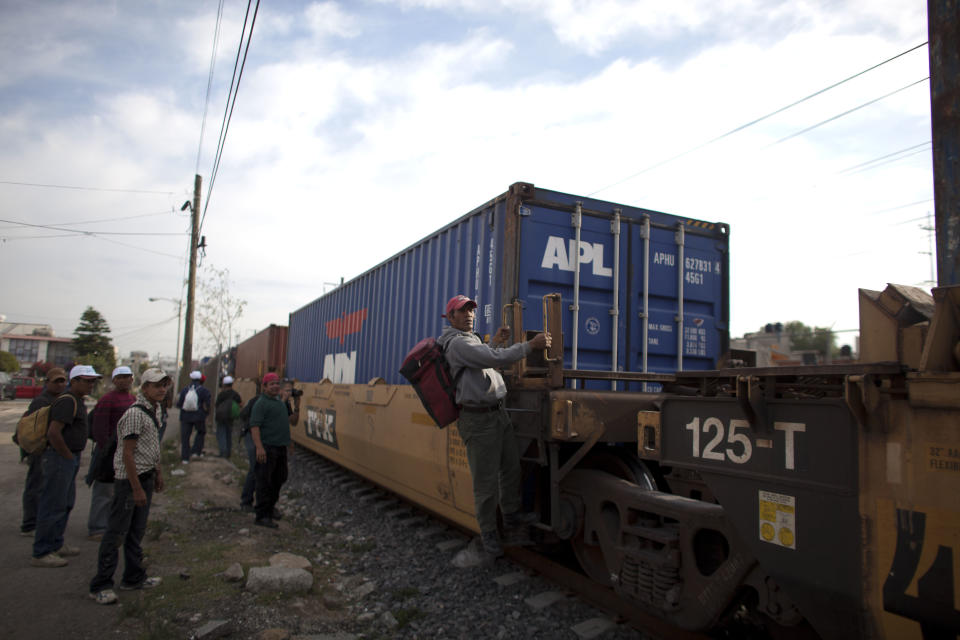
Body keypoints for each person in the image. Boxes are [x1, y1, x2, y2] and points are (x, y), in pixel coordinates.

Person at [437, 294, 550, 557]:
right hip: (478, 420)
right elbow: (492, 360)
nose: (468, 314)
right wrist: (529, 346)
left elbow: (485, 358)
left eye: (470, 310)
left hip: (498, 415)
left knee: (510, 470)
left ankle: (511, 521)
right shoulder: (457, 344)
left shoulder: (471, 339)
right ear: (450, 317)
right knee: (485, 483)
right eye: (461, 311)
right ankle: (488, 533)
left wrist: (497, 342)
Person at [88, 368, 168, 605]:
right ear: (144, 388)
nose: (162, 389)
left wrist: (158, 472)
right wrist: (136, 488)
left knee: (136, 531)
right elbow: (127, 454)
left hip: (146, 476)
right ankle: (101, 584)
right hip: (129, 481)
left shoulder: (155, 409)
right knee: (116, 532)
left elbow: (151, 446)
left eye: (164, 384)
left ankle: (133, 577)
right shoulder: (135, 414)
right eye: (156, 385)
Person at [31, 364, 101, 568]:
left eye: (93, 382)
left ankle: (56, 543)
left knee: (64, 503)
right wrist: (67, 456)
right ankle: (42, 551)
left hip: (69, 458)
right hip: (59, 459)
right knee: (52, 504)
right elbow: (54, 433)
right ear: (75, 381)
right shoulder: (67, 401)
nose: (91, 385)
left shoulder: (77, 401)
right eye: (87, 381)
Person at [85, 366, 136, 540]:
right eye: (120, 377)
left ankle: (112, 525)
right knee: (104, 491)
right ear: (114, 380)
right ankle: (97, 528)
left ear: (132, 379)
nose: (124, 380)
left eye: (127, 377)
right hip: (108, 453)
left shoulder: (132, 399)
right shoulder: (107, 400)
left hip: (125, 453)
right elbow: (100, 429)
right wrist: (106, 450)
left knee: (118, 492)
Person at [19, 367, 68, 537]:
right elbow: (34, 429)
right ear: (47, 383)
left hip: (52, 451)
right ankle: (29, 524)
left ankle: (38, 522)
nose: (61, 384)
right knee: (36, 487)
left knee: (46, 489)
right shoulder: (41, 401)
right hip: (41, 450)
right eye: (56, 381)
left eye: (63, 381)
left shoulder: (61, 399)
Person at [249, 372, 299, 528]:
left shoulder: (280, 402)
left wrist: (288, 442)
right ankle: (262, 515)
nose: (276, 386)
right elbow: (255, 426)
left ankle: (270, 508)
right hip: (267, 448)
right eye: (272, 384)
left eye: (277, 383)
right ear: (264, 387)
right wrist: (259, 448)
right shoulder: (261, 404)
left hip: (280, 448)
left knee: (280, 478)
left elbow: (287, 423)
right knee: (264, 481)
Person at [176, 370, 211, 463]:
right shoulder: (204, 390)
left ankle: (185, 458)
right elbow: (208, 404)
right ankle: (196, 451)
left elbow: (179, 404)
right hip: (199, 416)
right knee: (201, 432)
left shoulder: (185, 390)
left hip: (185, 416)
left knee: (185, 437)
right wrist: (206, 413)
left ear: (191, 378)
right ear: (200, 379)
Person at [214, 376, 242, 458]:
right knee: (228, 435)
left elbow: (217, 405)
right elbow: (240, 404)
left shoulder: (221, 394)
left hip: (221, 417)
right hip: (230, 418)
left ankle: (223, 452)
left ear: (224, 384)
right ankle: (228, 453)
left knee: (221, 434)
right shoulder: (235, 394)